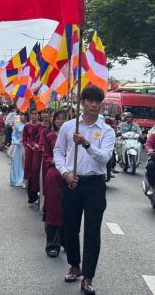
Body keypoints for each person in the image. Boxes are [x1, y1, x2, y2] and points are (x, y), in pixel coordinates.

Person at [53, 86, 114, 295]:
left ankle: (88, 277)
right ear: (83, 102)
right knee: (70, 228)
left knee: (92, 232)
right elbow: (58, 152)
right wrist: (65, 173)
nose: (93, 104)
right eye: (89, 100)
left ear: (101, 104)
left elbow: (104, 158)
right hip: (72, 182)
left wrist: (86, 143)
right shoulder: (69, 126)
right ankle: (74, 265)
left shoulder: (107, 131)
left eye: (97, 101)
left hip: (95, 184)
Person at [42, 109, 67, 257]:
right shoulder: (49, 136)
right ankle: (52, 244)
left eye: (64, 118)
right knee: (53, 209)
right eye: (58, 118)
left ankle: (65, 241)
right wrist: (56, 162)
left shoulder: (73, 137)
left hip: (69, 176)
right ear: (54, 120)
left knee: (68, 210)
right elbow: (46, 156)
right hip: (54, 175)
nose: (61, 121)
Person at [29, 110, 50, 205]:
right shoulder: (37, 127)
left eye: (47, 113)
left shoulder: (52, 128)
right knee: (36, 174)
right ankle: (35, 196)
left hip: (49, 154)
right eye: (43, 113)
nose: (45, 115)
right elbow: (32, 140)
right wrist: (36, 146)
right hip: (38, 154)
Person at [22, 108, 41, 204]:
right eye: (32, 114)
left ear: (38, 115)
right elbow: (24, 139)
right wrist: (28, 145)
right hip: (29, 151)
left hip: (39, 152)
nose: (34, 116)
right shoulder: (26, 126)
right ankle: (30, 195)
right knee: (29, 172)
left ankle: (37, 194)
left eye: (35, 114)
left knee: (37, 172)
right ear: (29, 115)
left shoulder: (41, 126)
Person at [9, 113, 26, 187]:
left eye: (23, 115)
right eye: (21, 115)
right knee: (16, 162)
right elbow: (13, 135)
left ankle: (23, 180)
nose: (22, 117)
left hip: (26, 147)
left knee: (24, 163)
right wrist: (16, 141)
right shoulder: (17, 125)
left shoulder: (28, 125)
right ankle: (15, 180)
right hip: (18, 146)